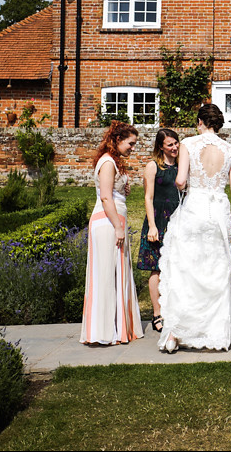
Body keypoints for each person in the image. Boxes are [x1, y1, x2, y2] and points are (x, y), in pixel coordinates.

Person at [157, 105, 231, 352]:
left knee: (187, 268)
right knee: (216, 269)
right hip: (218, 210)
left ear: (201, 122)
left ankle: (175, 333)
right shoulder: (229, 150)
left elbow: (182, 180)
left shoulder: (188, 144)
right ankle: (216, 332)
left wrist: (181, 185)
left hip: (194, 207)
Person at [80, 121, 144, 346]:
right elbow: (106, 198)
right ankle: (104, 331)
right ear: (118, 140)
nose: (132, 148)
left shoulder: (113, 162)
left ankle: (116, 327)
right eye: (131, 143)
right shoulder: (107, 162)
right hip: (108, 223)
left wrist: (124, 189)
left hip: (114, 221)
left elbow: (113, 193)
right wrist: (118, 226)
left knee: (115, 273)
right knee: (106, 275)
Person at [138, 128, 180, 333]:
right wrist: (153, 226)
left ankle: (175, 310)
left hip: (178, 221)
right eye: (170, 144)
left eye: (176, 143)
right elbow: (148, 197)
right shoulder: (153, 166)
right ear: (161, 147)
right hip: (158, 221)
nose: (174, 147)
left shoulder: (182, 166)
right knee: (157, 268)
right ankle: (157, 313)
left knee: (178, 268)